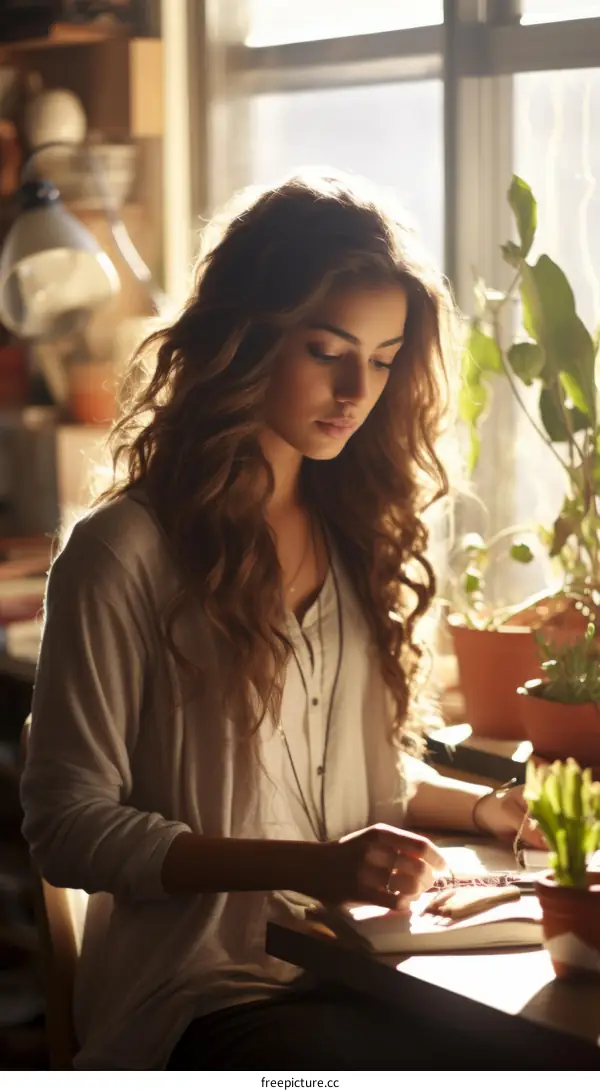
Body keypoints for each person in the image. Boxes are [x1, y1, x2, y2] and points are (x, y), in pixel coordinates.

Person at [20, 170, 544, 1072]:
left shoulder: (356, 540)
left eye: (382, 360)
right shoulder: (124, 553)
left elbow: (345, 778)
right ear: (247, 336)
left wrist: (491, 809)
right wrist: (312, 867)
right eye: (327, 348)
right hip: (199, 998)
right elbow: (66, 824)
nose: (356, 388)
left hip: (361, 970)